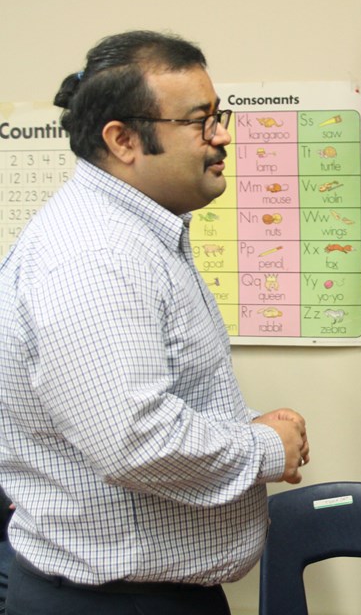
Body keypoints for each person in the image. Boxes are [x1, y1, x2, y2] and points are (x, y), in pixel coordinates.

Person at [0, 31, 310, 615]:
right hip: (113, 602)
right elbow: (136, 440)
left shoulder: (140, 236)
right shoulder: (94, 257)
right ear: (122, 140)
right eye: (200, 121)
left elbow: (140, 400)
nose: (221, 137)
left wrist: (245, 426)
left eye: (219, 116)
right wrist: (267, 447)